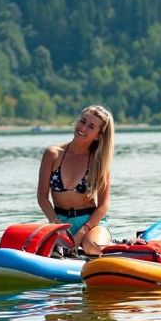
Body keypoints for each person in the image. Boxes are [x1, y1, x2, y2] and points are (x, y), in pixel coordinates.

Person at [37, 104, 115, 255]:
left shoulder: (99, 161)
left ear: (98, 135)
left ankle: (102, 243)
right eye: (83, 121)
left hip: (90, 223)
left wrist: (82, 232)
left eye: (91, 126)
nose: (83, 128)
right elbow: (42, 198)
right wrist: (56, 225)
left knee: (92, 248)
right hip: (59, 221)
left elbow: (103, 205)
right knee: (37, 246)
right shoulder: (52, 154)